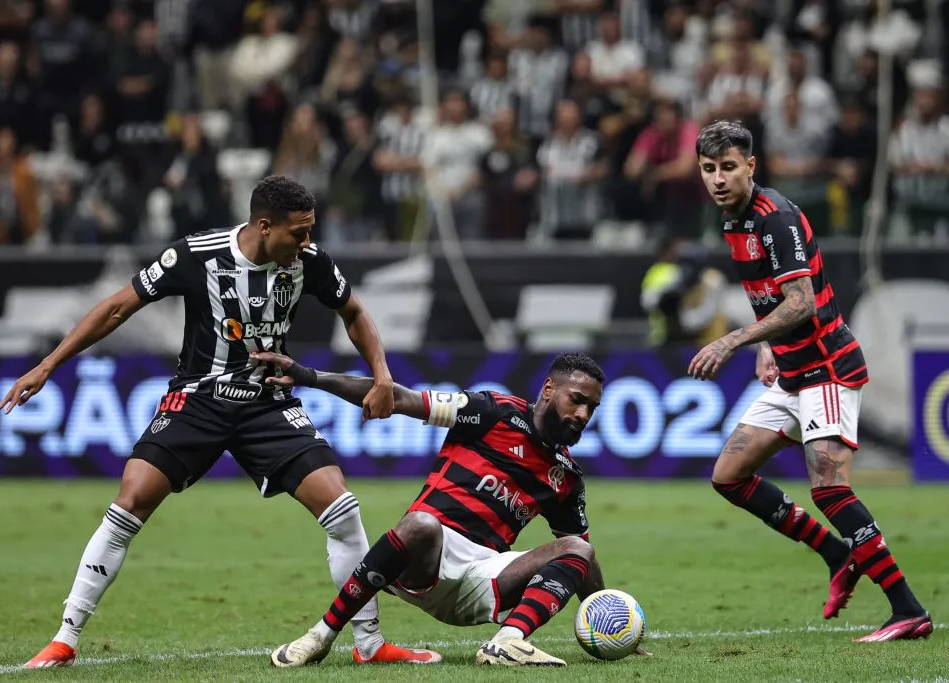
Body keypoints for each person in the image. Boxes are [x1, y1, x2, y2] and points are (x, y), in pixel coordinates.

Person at [0, 176, 440, 667]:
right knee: (130, 502)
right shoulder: (195, 255)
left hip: (268, 403)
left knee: (342, 509)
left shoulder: (308, 263)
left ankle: (370, 644)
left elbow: (353, 312)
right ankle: (65, 639)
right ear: (265, 226)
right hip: (198, 401)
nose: (308, 243)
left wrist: (382, 375)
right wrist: (46, 366)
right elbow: (119, 307)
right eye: (299, 233)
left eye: (311, 232)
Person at [689, 121, 932, 643]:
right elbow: (767, 296)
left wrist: (732, 340)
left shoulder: (775, 218)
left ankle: (908, 610)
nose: (718, 179)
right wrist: (763, 346)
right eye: (709, 169)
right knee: (728, 475)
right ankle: (837, 554)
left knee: (830, 488)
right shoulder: (732, 222)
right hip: (790, 371)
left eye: (728, 167)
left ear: (750, 166)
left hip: (827, 367)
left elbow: (799, 302)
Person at [257, 350, 638, 668]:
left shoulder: (566, 475)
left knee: (579, 549)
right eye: (577, 399)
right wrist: (309, 376)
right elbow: (399, 397)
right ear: (549, 389)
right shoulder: (492, 412)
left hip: (483, 577)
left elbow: (581, 556)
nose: (584, 415)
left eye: (592, 407)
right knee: (421, 524)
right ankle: (320, 636)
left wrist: (604, 617)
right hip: (423, 560)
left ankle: (507, 642)